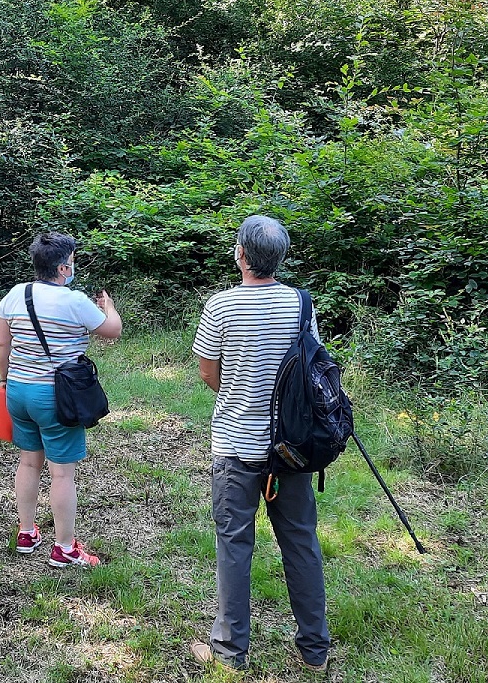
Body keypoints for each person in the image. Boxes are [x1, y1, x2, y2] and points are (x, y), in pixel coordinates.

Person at [190, 215, 331, 674]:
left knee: (234, 545)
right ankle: (314, 649)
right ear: (279, 258)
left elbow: (208, 372)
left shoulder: (221, 307)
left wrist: (239, 391)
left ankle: (230, 652)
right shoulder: (301, 304)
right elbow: (312, 370)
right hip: (291, 449)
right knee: (301, 542)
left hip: (236, 447)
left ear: (242, 256)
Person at [0, 231, 123, 568]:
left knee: (27, 462)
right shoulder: (75, 300)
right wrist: (109, 307)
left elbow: (1, 345)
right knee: (62, 474)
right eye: (74, 262)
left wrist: (6, 379)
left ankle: (26, 533)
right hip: (57, 397)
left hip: (18, 391)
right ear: (64, 269)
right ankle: (65, 548)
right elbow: (112, 330)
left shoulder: (14, 294)